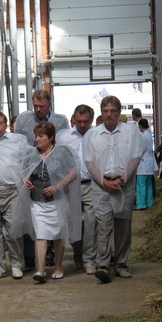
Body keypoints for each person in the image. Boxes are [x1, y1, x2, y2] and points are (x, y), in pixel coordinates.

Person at [83, 95, 142, 284]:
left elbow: (136, 157)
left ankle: (121, 265)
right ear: (101, 112)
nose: (109, 115)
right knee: (103, 226)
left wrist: (122, 178)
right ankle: (103, 265)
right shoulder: (92, 135)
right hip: (101, 186)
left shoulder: (130, 132)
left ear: (119, 112)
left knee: (123, 227)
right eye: (106, 111)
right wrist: (104, 182)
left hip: (124, 184)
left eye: (113, 111)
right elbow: (89, 162)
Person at [15, 89, 70, 269]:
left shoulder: (61, 121)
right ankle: (34, 259)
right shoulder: (23, 120)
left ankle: (53, 257)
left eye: (42, 106)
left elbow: (63, 148)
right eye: (35, 106)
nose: (38, 109)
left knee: (56, 221)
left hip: (54, 171)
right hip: (31, 168)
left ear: (49, 105)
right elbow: (20, 145)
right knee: (31, 219)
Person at [0, 111, 34, 280]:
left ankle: (17, 264)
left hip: (12, 191)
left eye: (0, 123)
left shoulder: (17, 141)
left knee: (13, 230)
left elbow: (28, 161)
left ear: (6, 125)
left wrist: (27, 178)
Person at [25, 122, 81, 283]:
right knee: (40, 234)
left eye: (41, 136)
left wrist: (57, 186)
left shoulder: (61, 153)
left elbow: (73, 172)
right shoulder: (31, 154)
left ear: (50, 137)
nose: (37, 139)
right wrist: (26, 181)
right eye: (36, 136)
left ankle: (58, 266)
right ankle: (41, 269)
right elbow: (23, 171)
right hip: (37, 201)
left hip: (58, 201)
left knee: (58, 234)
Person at [56, 104, 97, 275]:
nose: (82, 124)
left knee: (91, 222)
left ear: (91, 120)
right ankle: (78, 251)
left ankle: (89, 260)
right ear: (74, 118)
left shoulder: (96, 135)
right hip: (70, 185)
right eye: (79, 121)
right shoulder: (63, 137)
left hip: (92, 183)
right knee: (73, 223)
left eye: (85, 121)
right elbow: (57, 158)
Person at [135, 119, 158, 210]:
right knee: (148, 185)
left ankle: (141, 204)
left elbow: (141, 150)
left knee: (141, 185)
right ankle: (149, 203)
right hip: (149, 164)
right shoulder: (148, 135)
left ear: (140, 126)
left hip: (143, 164)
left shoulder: (143, 136)